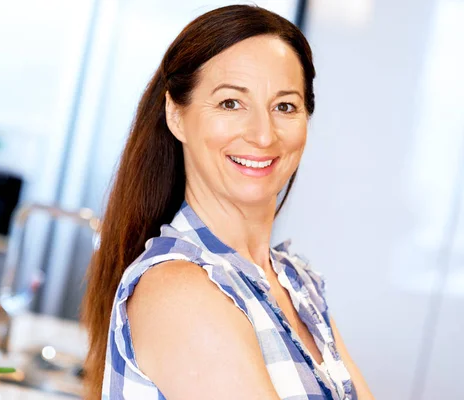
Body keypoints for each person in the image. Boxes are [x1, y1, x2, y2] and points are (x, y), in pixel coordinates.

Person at [83, 4, 374, 400]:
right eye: (231, 103)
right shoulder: (178, 291)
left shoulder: (295, 282)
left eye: (284, 106)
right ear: (176, 115)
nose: (263, 135)